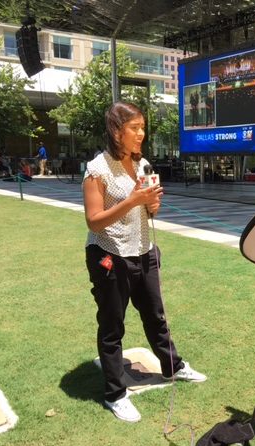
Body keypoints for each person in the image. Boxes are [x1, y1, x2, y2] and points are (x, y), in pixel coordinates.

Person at [83, 102, 207, 423]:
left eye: (143, 127)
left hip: (144, 251)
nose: (142, 134)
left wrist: (151, 203)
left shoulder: (143, 164)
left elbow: (150, 212)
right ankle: (116, 393)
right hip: (109, 255)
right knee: (112, 327)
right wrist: (133, 200)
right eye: (135, 128)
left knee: (156, 315)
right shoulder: (97, 169)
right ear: (116, 131)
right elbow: (94, 222)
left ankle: (173, 367)